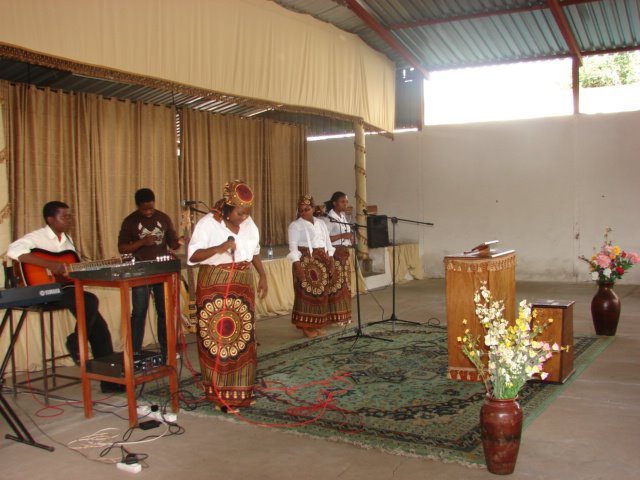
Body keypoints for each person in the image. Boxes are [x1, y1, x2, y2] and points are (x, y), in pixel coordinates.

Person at [7, 201, 122, 393]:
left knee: (100, 329)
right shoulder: (37, 237)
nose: (69, 220)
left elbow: (69, 270)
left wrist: (76, 271)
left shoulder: (67, 241)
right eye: (64, 217)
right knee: (90, 300)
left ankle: (109, 382)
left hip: (65, 290)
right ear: (50, 219)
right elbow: (13, 251)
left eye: (70, 216)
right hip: (42, 291)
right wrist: (49, 265)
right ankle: (76, 340)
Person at [187, 180, 267, 410]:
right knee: (219, 340)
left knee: (243, 341)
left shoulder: (249, 224)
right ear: (227, 208)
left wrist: (262, 275)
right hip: (215, 283)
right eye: (240, 212)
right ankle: (220, 396)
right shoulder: (208, 224)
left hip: (243, 283)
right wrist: (219, 248)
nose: (244, 217)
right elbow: (193, 256)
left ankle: (241, 392)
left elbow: (255, 251)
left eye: (247, 213)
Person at [117, 188, 182, 359]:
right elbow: (122, 247)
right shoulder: (130, 221)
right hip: (140, 271)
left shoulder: (163, 218)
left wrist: (180, 241)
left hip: (161, 271)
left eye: (151, 208)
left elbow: (172, 244)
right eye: (144, 209)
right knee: (139, 312)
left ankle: (167, 350)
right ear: (138, 206)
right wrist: (142, 242)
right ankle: (134, 352)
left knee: (164, 311)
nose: (148, 212)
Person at [287, 194, 335, 338]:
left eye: (307, 209)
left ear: (313, 208)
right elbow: (293, 247)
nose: (303, 213)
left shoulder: (321, 223)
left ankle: (318, 323)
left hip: (322, 260)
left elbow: (328, 243)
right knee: (305, 294)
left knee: (321, 293)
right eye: (301, 210)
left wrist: (331, 260)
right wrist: (298, 267)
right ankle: (306, 326)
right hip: (305, 261)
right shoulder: (295, 225)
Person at [324, 192, 353, 325]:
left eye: (346, 202)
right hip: (335, 254)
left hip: (344, 254)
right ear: (334, 203)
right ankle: (336, 317)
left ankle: (345, 314)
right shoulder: (329, 218)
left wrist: (350, 237)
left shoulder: (342, 216)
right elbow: (326, 238)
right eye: (342, 201)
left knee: (345, 286)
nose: (345, 204)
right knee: (336, 286)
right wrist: (343, 235)